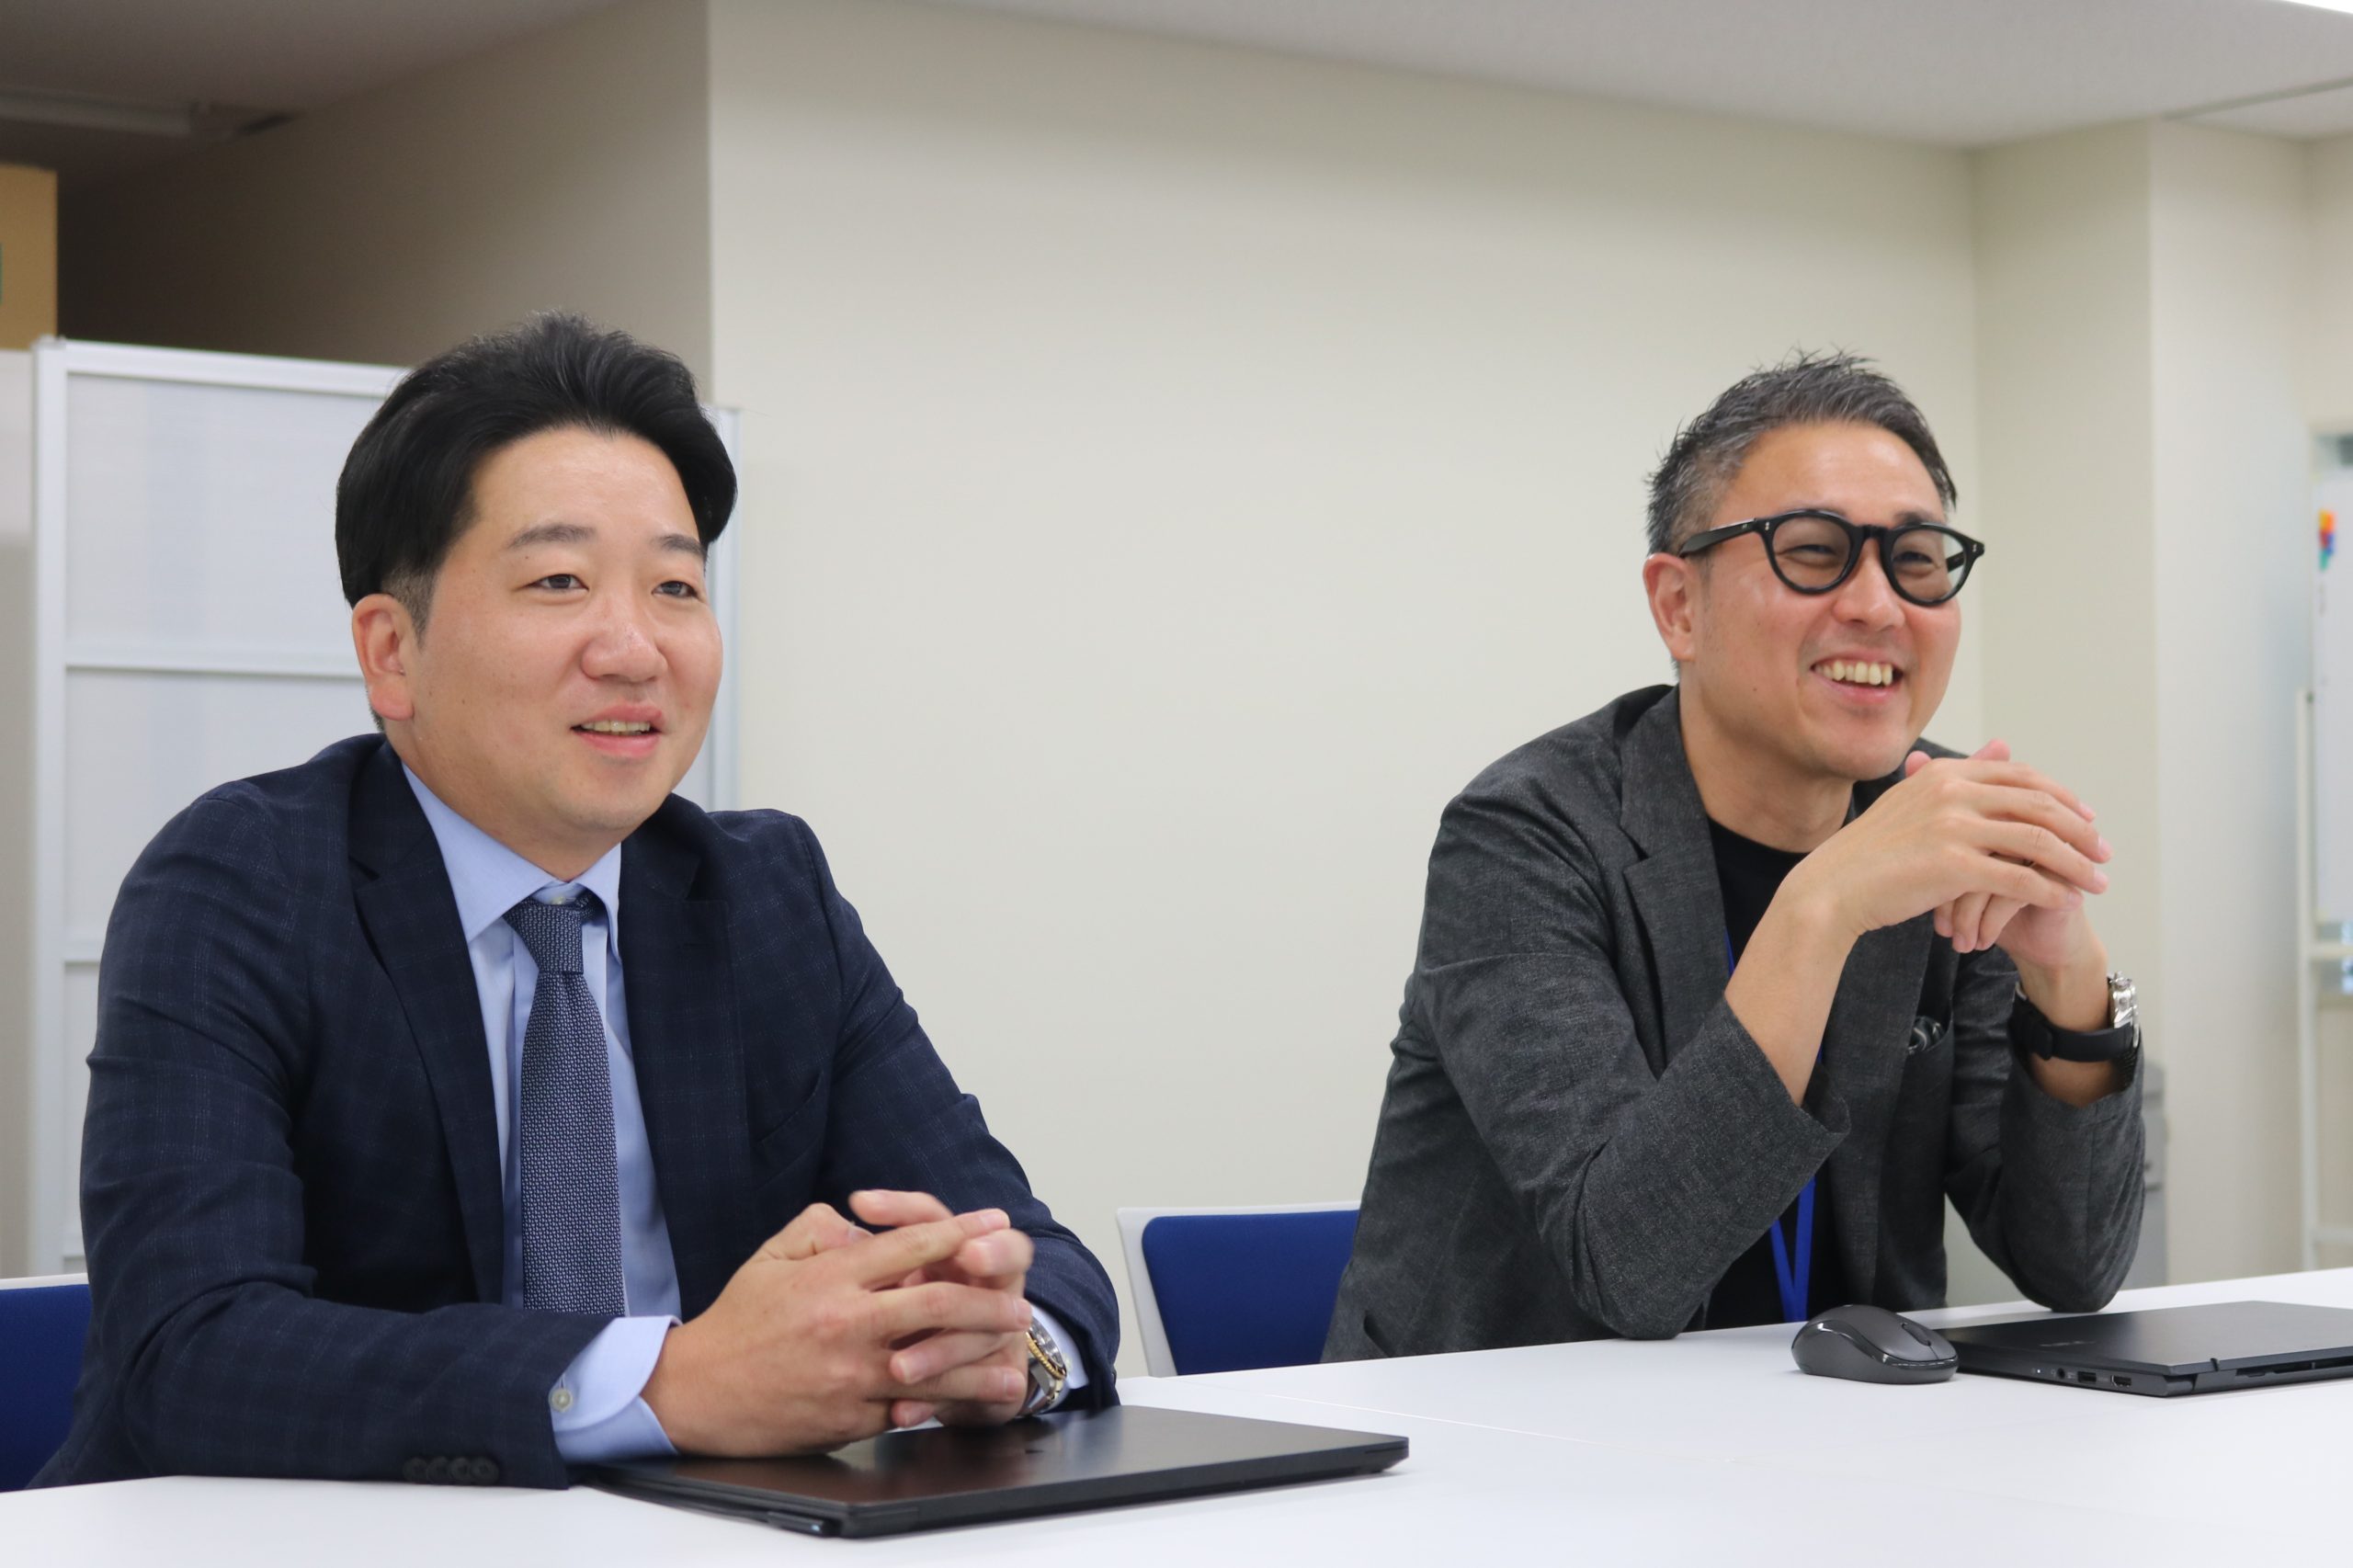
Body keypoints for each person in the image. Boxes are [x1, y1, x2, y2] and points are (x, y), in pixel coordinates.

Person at [38, 315, 1117, 1489]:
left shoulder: (764, 894)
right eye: (559, 581)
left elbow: (1038, 1261)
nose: (634, 648)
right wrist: (669, 1380)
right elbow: (192, 1350)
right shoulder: (243, 884)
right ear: (391, 651)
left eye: (676, 586)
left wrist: (997, 1351)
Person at [1326, 351, 2145, 1358]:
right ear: (1679, 606)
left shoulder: (1940, 825)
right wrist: (1820, 907)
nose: (1879, 605)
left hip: (1842, 1428)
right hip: (1509, 1428)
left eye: (1917, 559)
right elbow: (1630, 1267)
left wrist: (2066, 975)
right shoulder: (1523, 835)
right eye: (1813, 551)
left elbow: (2074, 1265)